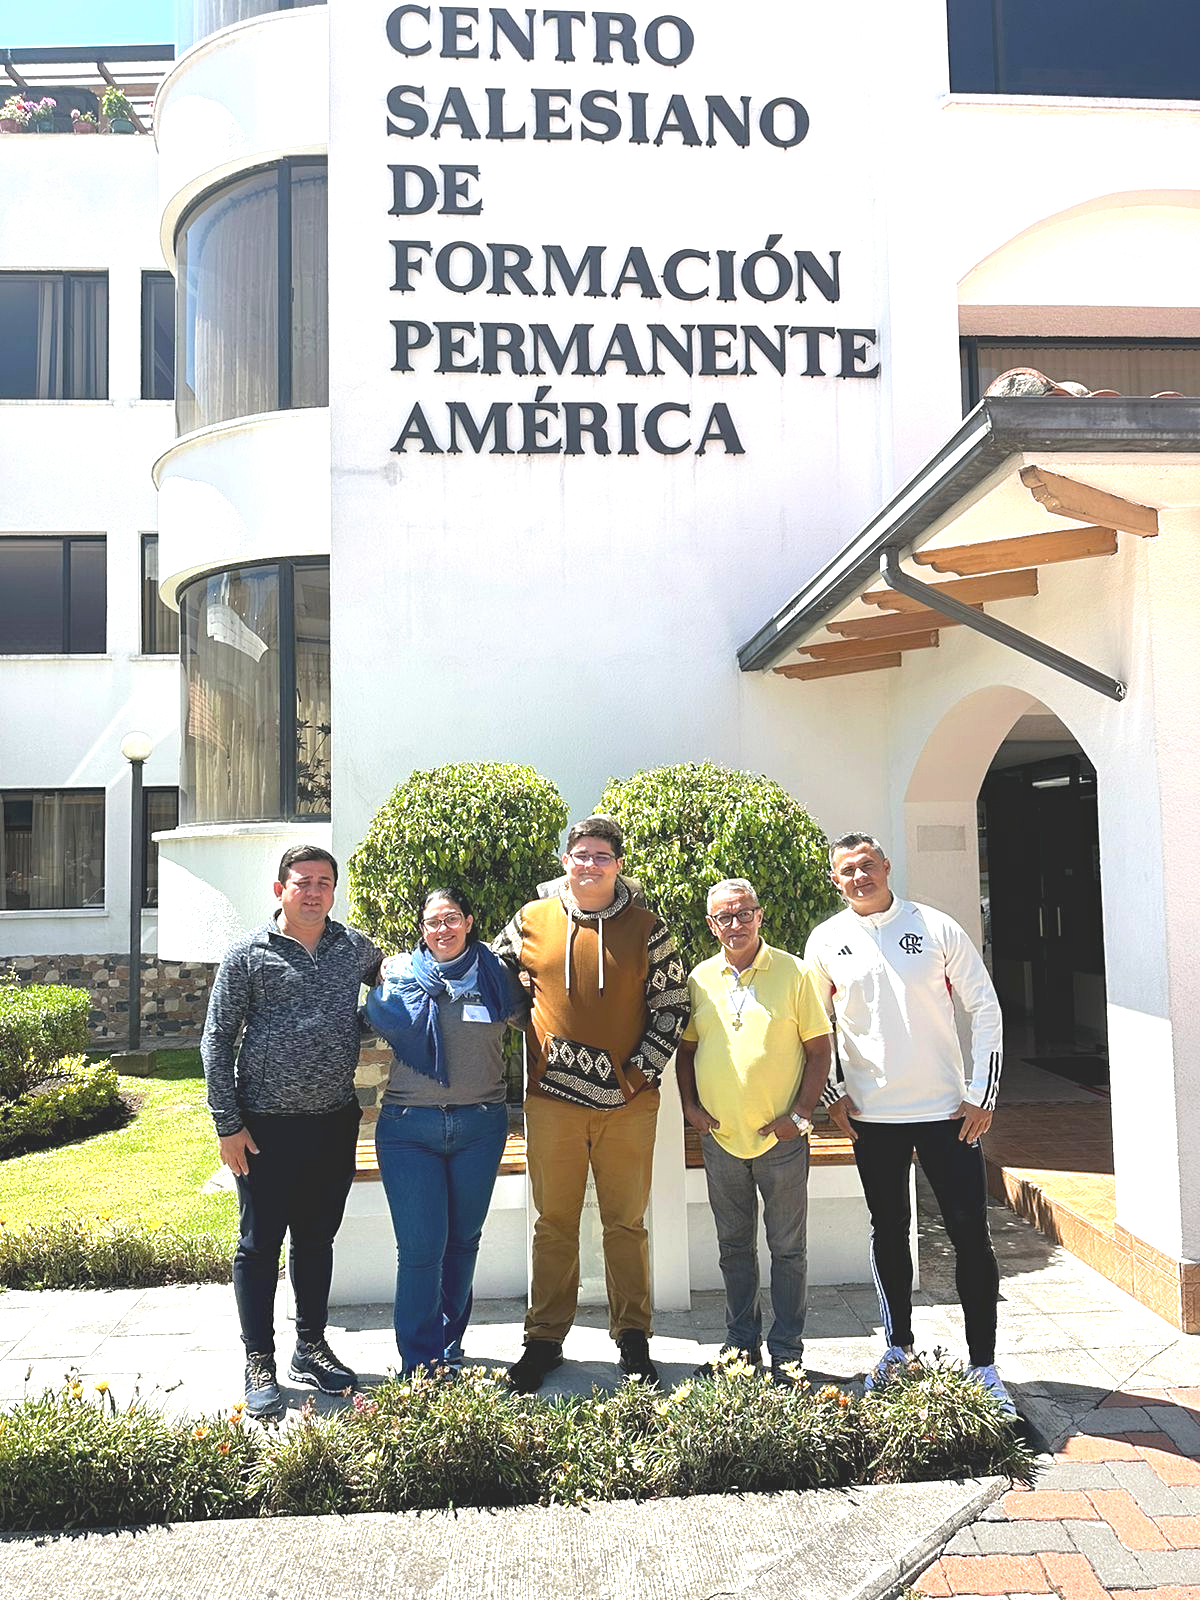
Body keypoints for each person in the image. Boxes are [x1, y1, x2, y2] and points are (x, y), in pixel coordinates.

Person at [804, 832, 1012, 1410]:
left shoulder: (935, 926)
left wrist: (982, 1094)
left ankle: (984, 1365)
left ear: (886, 865)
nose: (859, 877)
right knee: (889, 1229)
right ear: (835, 880)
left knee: (970, 1233)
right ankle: (898, 1349)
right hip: (872, 1118)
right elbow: (814, 1026)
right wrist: (834, 1094)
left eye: (867, 865)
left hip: (948, 1114)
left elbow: (985, 1006)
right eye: (847, 870)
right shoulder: (826, 940)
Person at [492, 816, 689, 1392]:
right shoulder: (530, 920)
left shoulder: (650, 929)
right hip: (551, 1101)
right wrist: (522, 1014)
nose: (590, 865)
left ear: (618, 865)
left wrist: (635, 1076)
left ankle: (633, 1337)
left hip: (629, 1104)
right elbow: (493, 978)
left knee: (626, 1224)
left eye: (602, 856)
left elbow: (673, 1007)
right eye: (581, 855)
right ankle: (544, 1340)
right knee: (553, 1223)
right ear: (566, 862)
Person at [201, 845, 382, 1418]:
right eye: (303, 882)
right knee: (259, 1246)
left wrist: (363, 1021)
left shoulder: (354, 948)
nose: (314, 892)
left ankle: (311, 1345)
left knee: (316, 1239)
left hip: (332, 1122)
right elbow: (215, 1040)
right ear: (280, 889)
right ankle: (259, 1358)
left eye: (324, 883)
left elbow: (394, 985)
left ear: (334, 891)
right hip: (263, 1128)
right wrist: (228, 1124)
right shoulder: (247, 955)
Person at [365, 887, 528, 1376]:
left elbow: (538, 1018)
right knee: (421, 1250)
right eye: (433, 921)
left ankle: (449, 1344)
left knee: (462, 1242)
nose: (443, 929)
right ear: (422, 929)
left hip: (480, 1126)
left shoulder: (495, 974)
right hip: (409, 1129)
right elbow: (366, 1016)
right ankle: (420, 1363)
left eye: (452, 918)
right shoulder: (399, 976)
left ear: (469, 922)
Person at [676, 878, 833, 1382]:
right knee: (734, 1248)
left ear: (759, 916)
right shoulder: (699, 979)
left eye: (744, 913)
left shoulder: (794, 972)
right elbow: (686, 1051)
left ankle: (787, 1351)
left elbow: (819, 1051)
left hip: (780, 1141)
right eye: (725, 916)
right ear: (711, 925)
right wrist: (690, 1108)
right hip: (721, 1140)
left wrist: (801, 1116)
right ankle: (741, 1347)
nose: (736, 924)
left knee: (789, 1250)